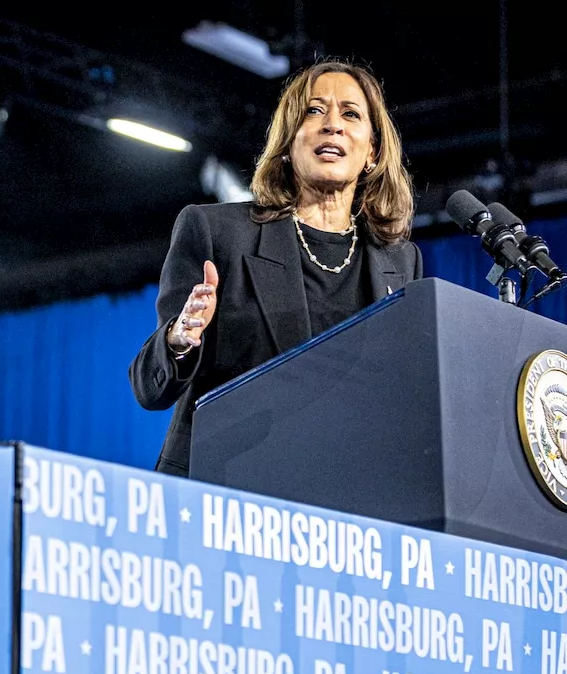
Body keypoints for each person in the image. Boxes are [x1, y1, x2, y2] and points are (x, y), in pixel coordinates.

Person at [129, 59, 424, 477]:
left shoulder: (399, 260)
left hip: (344, 496)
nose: (332, 125)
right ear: (288, 141)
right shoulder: (217, 232)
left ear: (372, 151)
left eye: (351, 114)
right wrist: (180, 338)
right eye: (314, 110)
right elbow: (149, 387)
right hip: (225, 488)